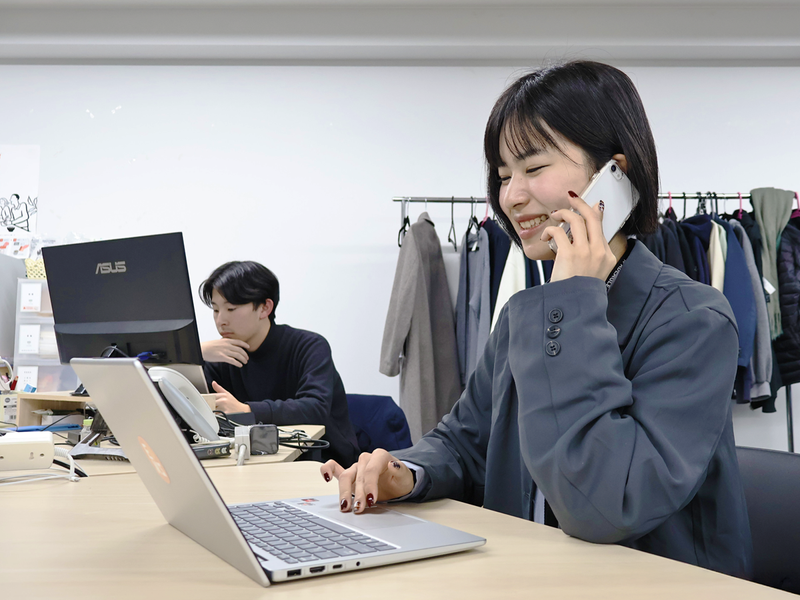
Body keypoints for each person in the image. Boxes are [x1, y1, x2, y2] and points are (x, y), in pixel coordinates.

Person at [321, 61, 753, 578]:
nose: (510, 196)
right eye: (504, 176)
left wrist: (572, 302)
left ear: (614, 175)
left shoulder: (692, 320)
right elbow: (464, 440)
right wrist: (406, 472)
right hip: (529, 573)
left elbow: (605, 503)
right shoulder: (523, 315)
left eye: (533, 168)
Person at [200, 260, 359, 467]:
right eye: (215, 310)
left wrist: (247, 410)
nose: (221, 320)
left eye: (231, 308)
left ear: (265, 308)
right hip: (254, 462)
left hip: (322, 462)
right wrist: (197, 353)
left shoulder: (309, 346)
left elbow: (315, 407)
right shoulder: (219, 356)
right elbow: (191, 409)